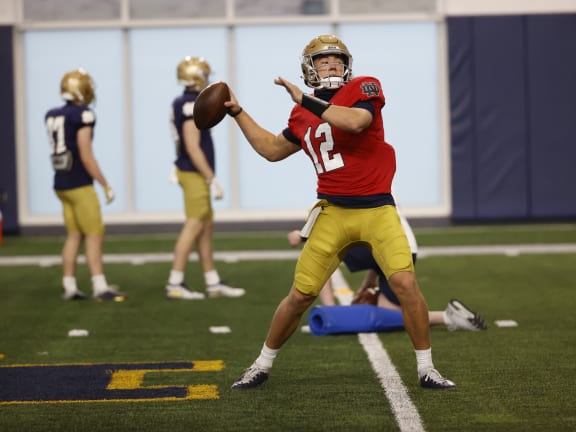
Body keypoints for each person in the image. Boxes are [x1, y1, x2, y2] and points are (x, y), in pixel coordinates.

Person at [227, 34, 455, 390]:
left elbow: (356, 123)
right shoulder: (301, 112)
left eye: (337, 60)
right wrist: (237, 113)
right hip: (333, 211)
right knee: (300, 295)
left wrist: (306, 100)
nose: (332, 65)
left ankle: (427, 368)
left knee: (405, 284)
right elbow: (271, 149)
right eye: (323, 61)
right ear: (310, 69)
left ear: (347, 67)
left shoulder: (364, 87)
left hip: (377, 209)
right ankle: (261, 364)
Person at [288, 219, 487, 332]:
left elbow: (338, 220)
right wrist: (369, 280)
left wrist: (302, 234)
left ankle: (330, 314)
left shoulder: (348, 179)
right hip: (405, 248)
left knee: (320, 250)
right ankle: (448, 316)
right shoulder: (375, 177)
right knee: (390, 313)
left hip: (388, 246)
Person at [165, 56, 245, 300]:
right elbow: (192, 146)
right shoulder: (189, 104)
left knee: (205, 226)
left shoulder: (183, 101)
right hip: (194, 172)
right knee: (194, 224)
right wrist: (211, 178)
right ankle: (175, 282)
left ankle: (212, 282)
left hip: (190, 170)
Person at [45, 68, 125, 302]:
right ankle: (100, 286)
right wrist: (105, 184)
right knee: (94, 234)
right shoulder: (83, 115)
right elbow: (86, 155)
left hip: (61, 183)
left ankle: (69, 286)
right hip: (79, 183)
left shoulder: (52, 114)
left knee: (74, 235)